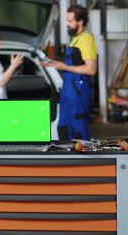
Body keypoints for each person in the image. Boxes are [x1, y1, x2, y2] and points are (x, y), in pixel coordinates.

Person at [42, 4, 97, 140]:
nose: (67, 24)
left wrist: (63, 67)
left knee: (78, 128)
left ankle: (83, 160)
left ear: (81, 22)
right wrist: (53, 63)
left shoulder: (86, 40)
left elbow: (91, 69)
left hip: (78, 90)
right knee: (64, 128)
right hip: (69, 90)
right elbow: (73, 61)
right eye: (66, 21)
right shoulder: (75, 39)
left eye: (70, 21)